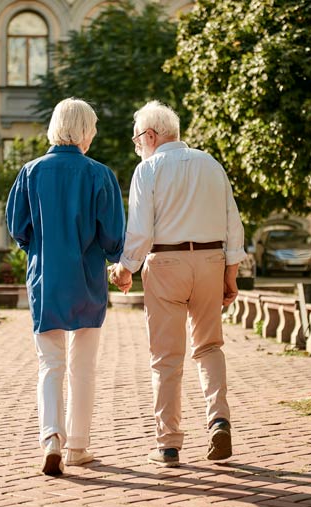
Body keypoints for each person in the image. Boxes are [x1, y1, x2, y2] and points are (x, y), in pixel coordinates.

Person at [110, 101, 246, 467]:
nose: (137, 147)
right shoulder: (211, 164)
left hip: (165, 262)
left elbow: (140, 230)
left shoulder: (148, 169)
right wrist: (230, 272)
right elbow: (233, 221)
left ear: (151, 136)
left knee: (166, 358)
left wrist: (125, 269)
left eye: (137, 140)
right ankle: (218, 418)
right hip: (210, 261)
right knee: (210, 347)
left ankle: (168, 444)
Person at [6, 98, 125, 476]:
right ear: (85, 131)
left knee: (50, 364)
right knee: (83, 366)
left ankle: (51, 439)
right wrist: (116, 260)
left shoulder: (30, 172)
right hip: (86, 279)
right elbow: (113, 236)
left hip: (46, 278)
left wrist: (38, 248)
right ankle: (77, 445)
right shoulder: (99, 174)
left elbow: (17, 226)